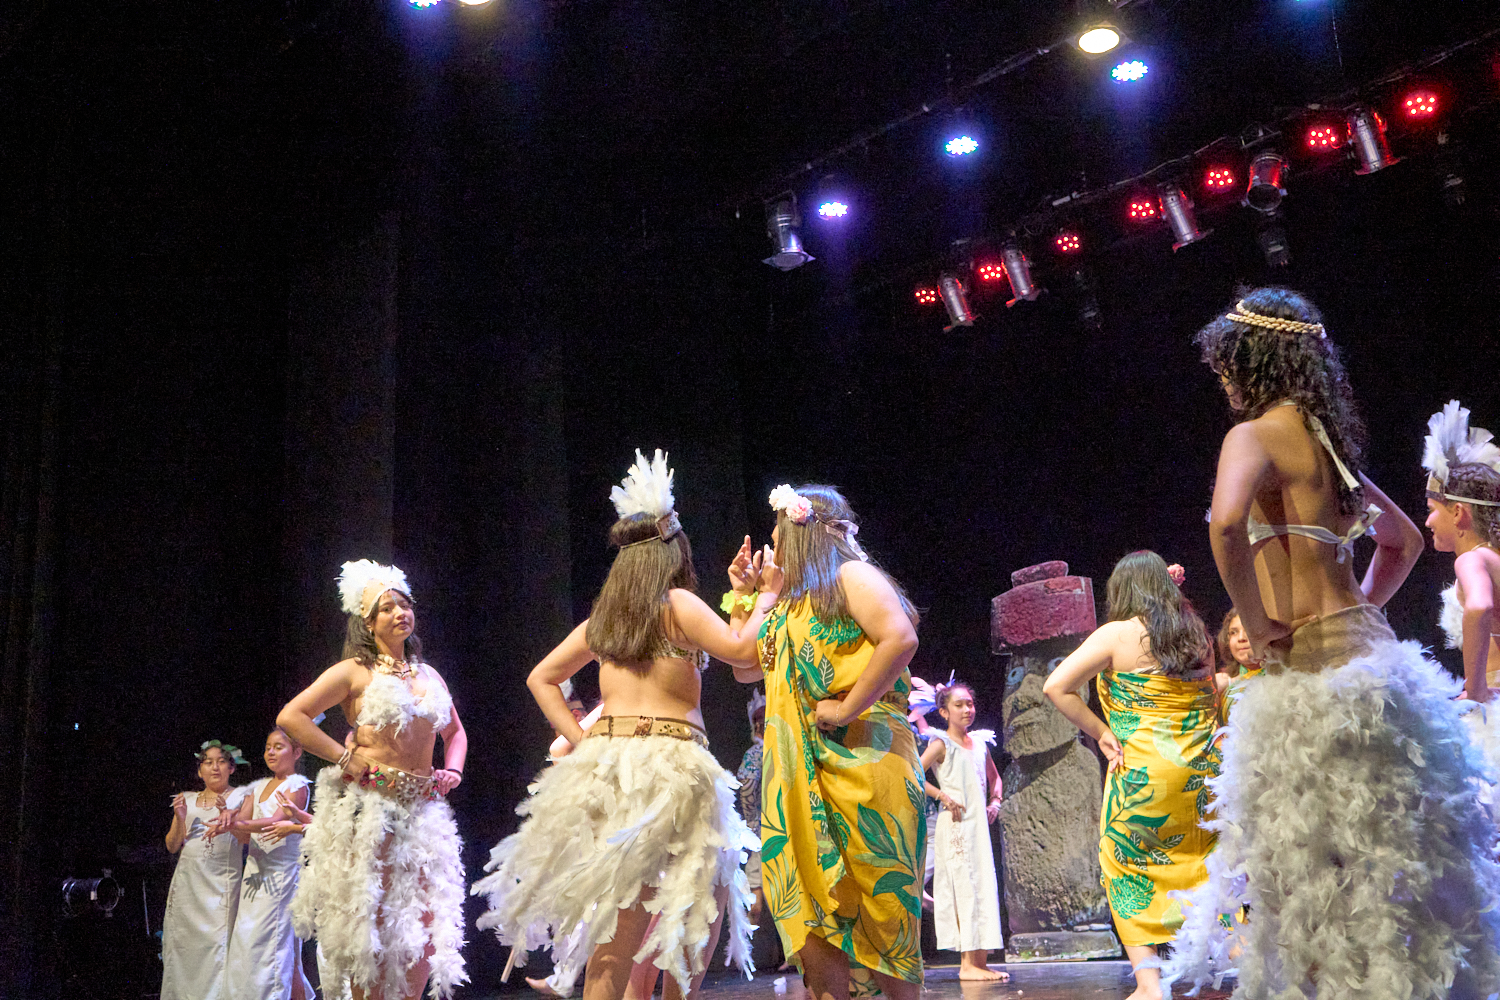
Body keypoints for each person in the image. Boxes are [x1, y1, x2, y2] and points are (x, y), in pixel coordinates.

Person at [1164, 288, 1500, 1000]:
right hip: (1379, 672)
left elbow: (1225, 524)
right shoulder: (1328, 449)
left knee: (1314, 881)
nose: (1223, 382)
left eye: (1226, 367)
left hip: (1311, 683)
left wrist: (1255, 621)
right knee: (1394, 873)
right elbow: (1404, 542)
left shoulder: (1253, 437)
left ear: (1251, 363)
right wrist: (1360, 610)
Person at [472, 449, 768, 1000]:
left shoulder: (608, 617)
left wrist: (585, 742)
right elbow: (741, 650)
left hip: (613, 767)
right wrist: (767, 594)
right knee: (696, 899)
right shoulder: (677, 603)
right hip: (673, 766)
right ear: (673, 552)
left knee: (623, 915)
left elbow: (542, 678)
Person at [730, 484, 924, 1000]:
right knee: (808, 909)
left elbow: (900, 638)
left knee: (881, 905)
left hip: (863, 759)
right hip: (796, 774)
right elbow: (743, 664)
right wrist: (746, 596)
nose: (772, 545)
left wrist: (844, 708)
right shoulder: (786, 605)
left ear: (802, 532)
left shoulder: (850, 576)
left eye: (777, 534)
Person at [279, 560, 469, 1000]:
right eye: (387, 608)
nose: (400, 613)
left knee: (423, 931)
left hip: (423, 813)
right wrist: (343, 757)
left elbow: (455, 733)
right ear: (367, 622)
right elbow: (292, 716)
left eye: (405, 605)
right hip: (373, 813)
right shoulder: (354, 671)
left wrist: (453, 770)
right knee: (374, 932)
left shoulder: (429, 675)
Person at [1042, 552, 1219, 1000]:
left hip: (1142, 772)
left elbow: (1055, 686)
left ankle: (1148, 984)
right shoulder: (1198, 636)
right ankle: (1239, 963)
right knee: (1205, 866)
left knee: (1123, 864)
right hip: (1201, 774)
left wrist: (1101, 731)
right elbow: (1210, 701)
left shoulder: (1116, 634)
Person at [918, 682, 1006, 982]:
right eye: (959, 705)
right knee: (965, 889)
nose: (967, 709)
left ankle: (979, 963)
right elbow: (914, 774)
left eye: (970, 703)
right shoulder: (941, 743)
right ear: (944, 712)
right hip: (955, 826)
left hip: (978, 828)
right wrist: (942, 796)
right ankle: (967, 965)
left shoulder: (979, 744)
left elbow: (994, 778)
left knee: (982, 888)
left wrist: (995, 802)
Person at [225, 727, 314, 1000]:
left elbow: (274, 822)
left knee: (273, 945)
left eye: (278, 747)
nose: (271, 752)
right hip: (254, 873)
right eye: (267, 748)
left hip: (281, 876)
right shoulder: (258, 787)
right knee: (249, 942)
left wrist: (239, 823)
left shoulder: (297, 785)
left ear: (296, 752)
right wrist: (228, 821)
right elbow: (243, 832)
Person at [161, 740, 251, 1000]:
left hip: (220, 885)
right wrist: (180, 817)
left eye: (221, 761)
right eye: (208, 762)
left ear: (231, 768)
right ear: (199, 770)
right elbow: (172, 845)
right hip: (188, 885)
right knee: (183, 949)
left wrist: (229, 817)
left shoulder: (241, 796)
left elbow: (245, 838)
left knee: (217, 947)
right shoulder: (187, 799)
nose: (215, 767)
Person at [1423, 400, 1500, 701]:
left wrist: (1475, 689)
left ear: (1457, 513)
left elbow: (1479, 606)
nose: (1427, 522)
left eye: (1431, 510)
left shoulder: (1472, 559)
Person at [1213, 609, 1262, 726]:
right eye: (1233, 632)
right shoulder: (1221, 683)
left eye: (1249, 631)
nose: (1241, 638)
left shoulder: (1284, 677)